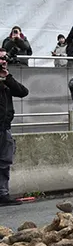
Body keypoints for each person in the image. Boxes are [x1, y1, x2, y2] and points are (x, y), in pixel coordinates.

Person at [0, 52, 28, 206]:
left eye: (5, 58)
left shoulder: (7, 80)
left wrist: (7, 78)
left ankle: (3, 194)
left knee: (4, 162)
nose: (3, 61)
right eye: (0, 58)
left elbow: (23, 92)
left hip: (5, 128)